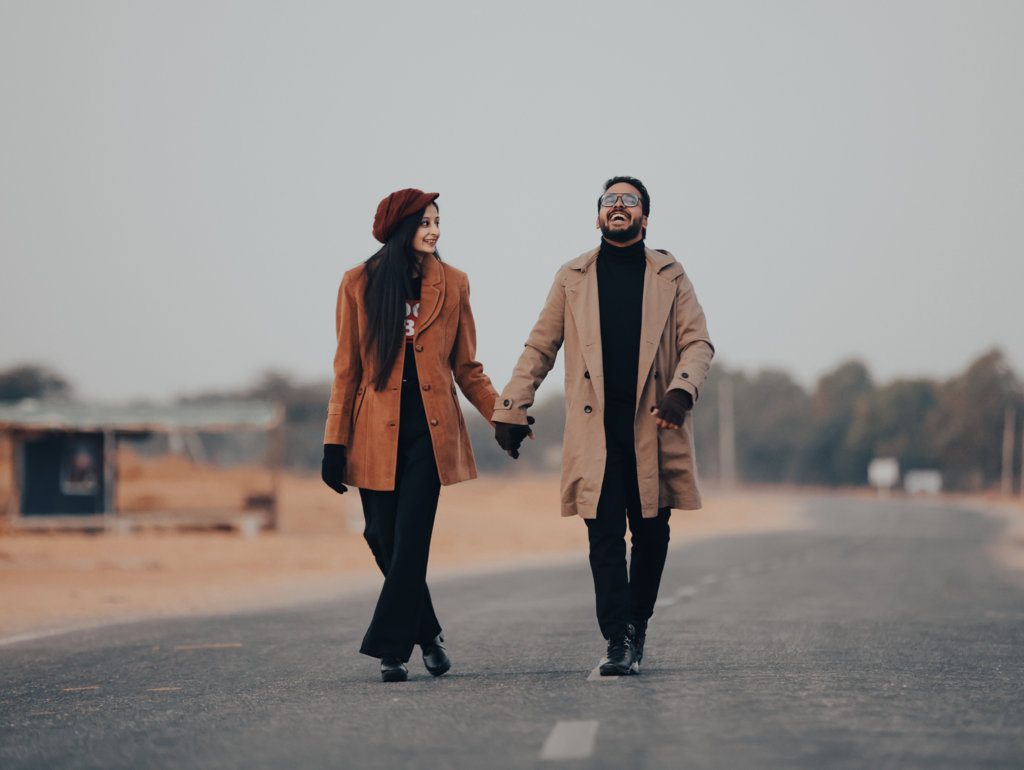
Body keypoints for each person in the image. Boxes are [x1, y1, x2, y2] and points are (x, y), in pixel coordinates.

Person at [492, 176, 714, 676]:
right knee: (605, 536)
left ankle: (638, 623)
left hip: (653, 427)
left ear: (644, 217)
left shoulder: (670, 275)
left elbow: (698, 343)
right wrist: (511, 407)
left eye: (628, 201)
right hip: (596, 433)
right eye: (609, 200)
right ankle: (617, 639)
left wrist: (681, 390)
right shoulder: (571, 277)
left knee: (653, 533)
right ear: (597, 216)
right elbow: (540, 348)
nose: (618, 206)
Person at [321, 188, 499, 682]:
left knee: (411, 541)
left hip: (431, 431)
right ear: (401, 227)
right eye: (425, 223)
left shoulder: (454, 283)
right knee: (381, 536)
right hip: (372, 432)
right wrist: (333, 443)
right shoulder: (358, 283)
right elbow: (346, 371)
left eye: (438, 222)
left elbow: (467, 367)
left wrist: (502, 415)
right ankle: (428, 633)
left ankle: (391, 649)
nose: (435, 231)